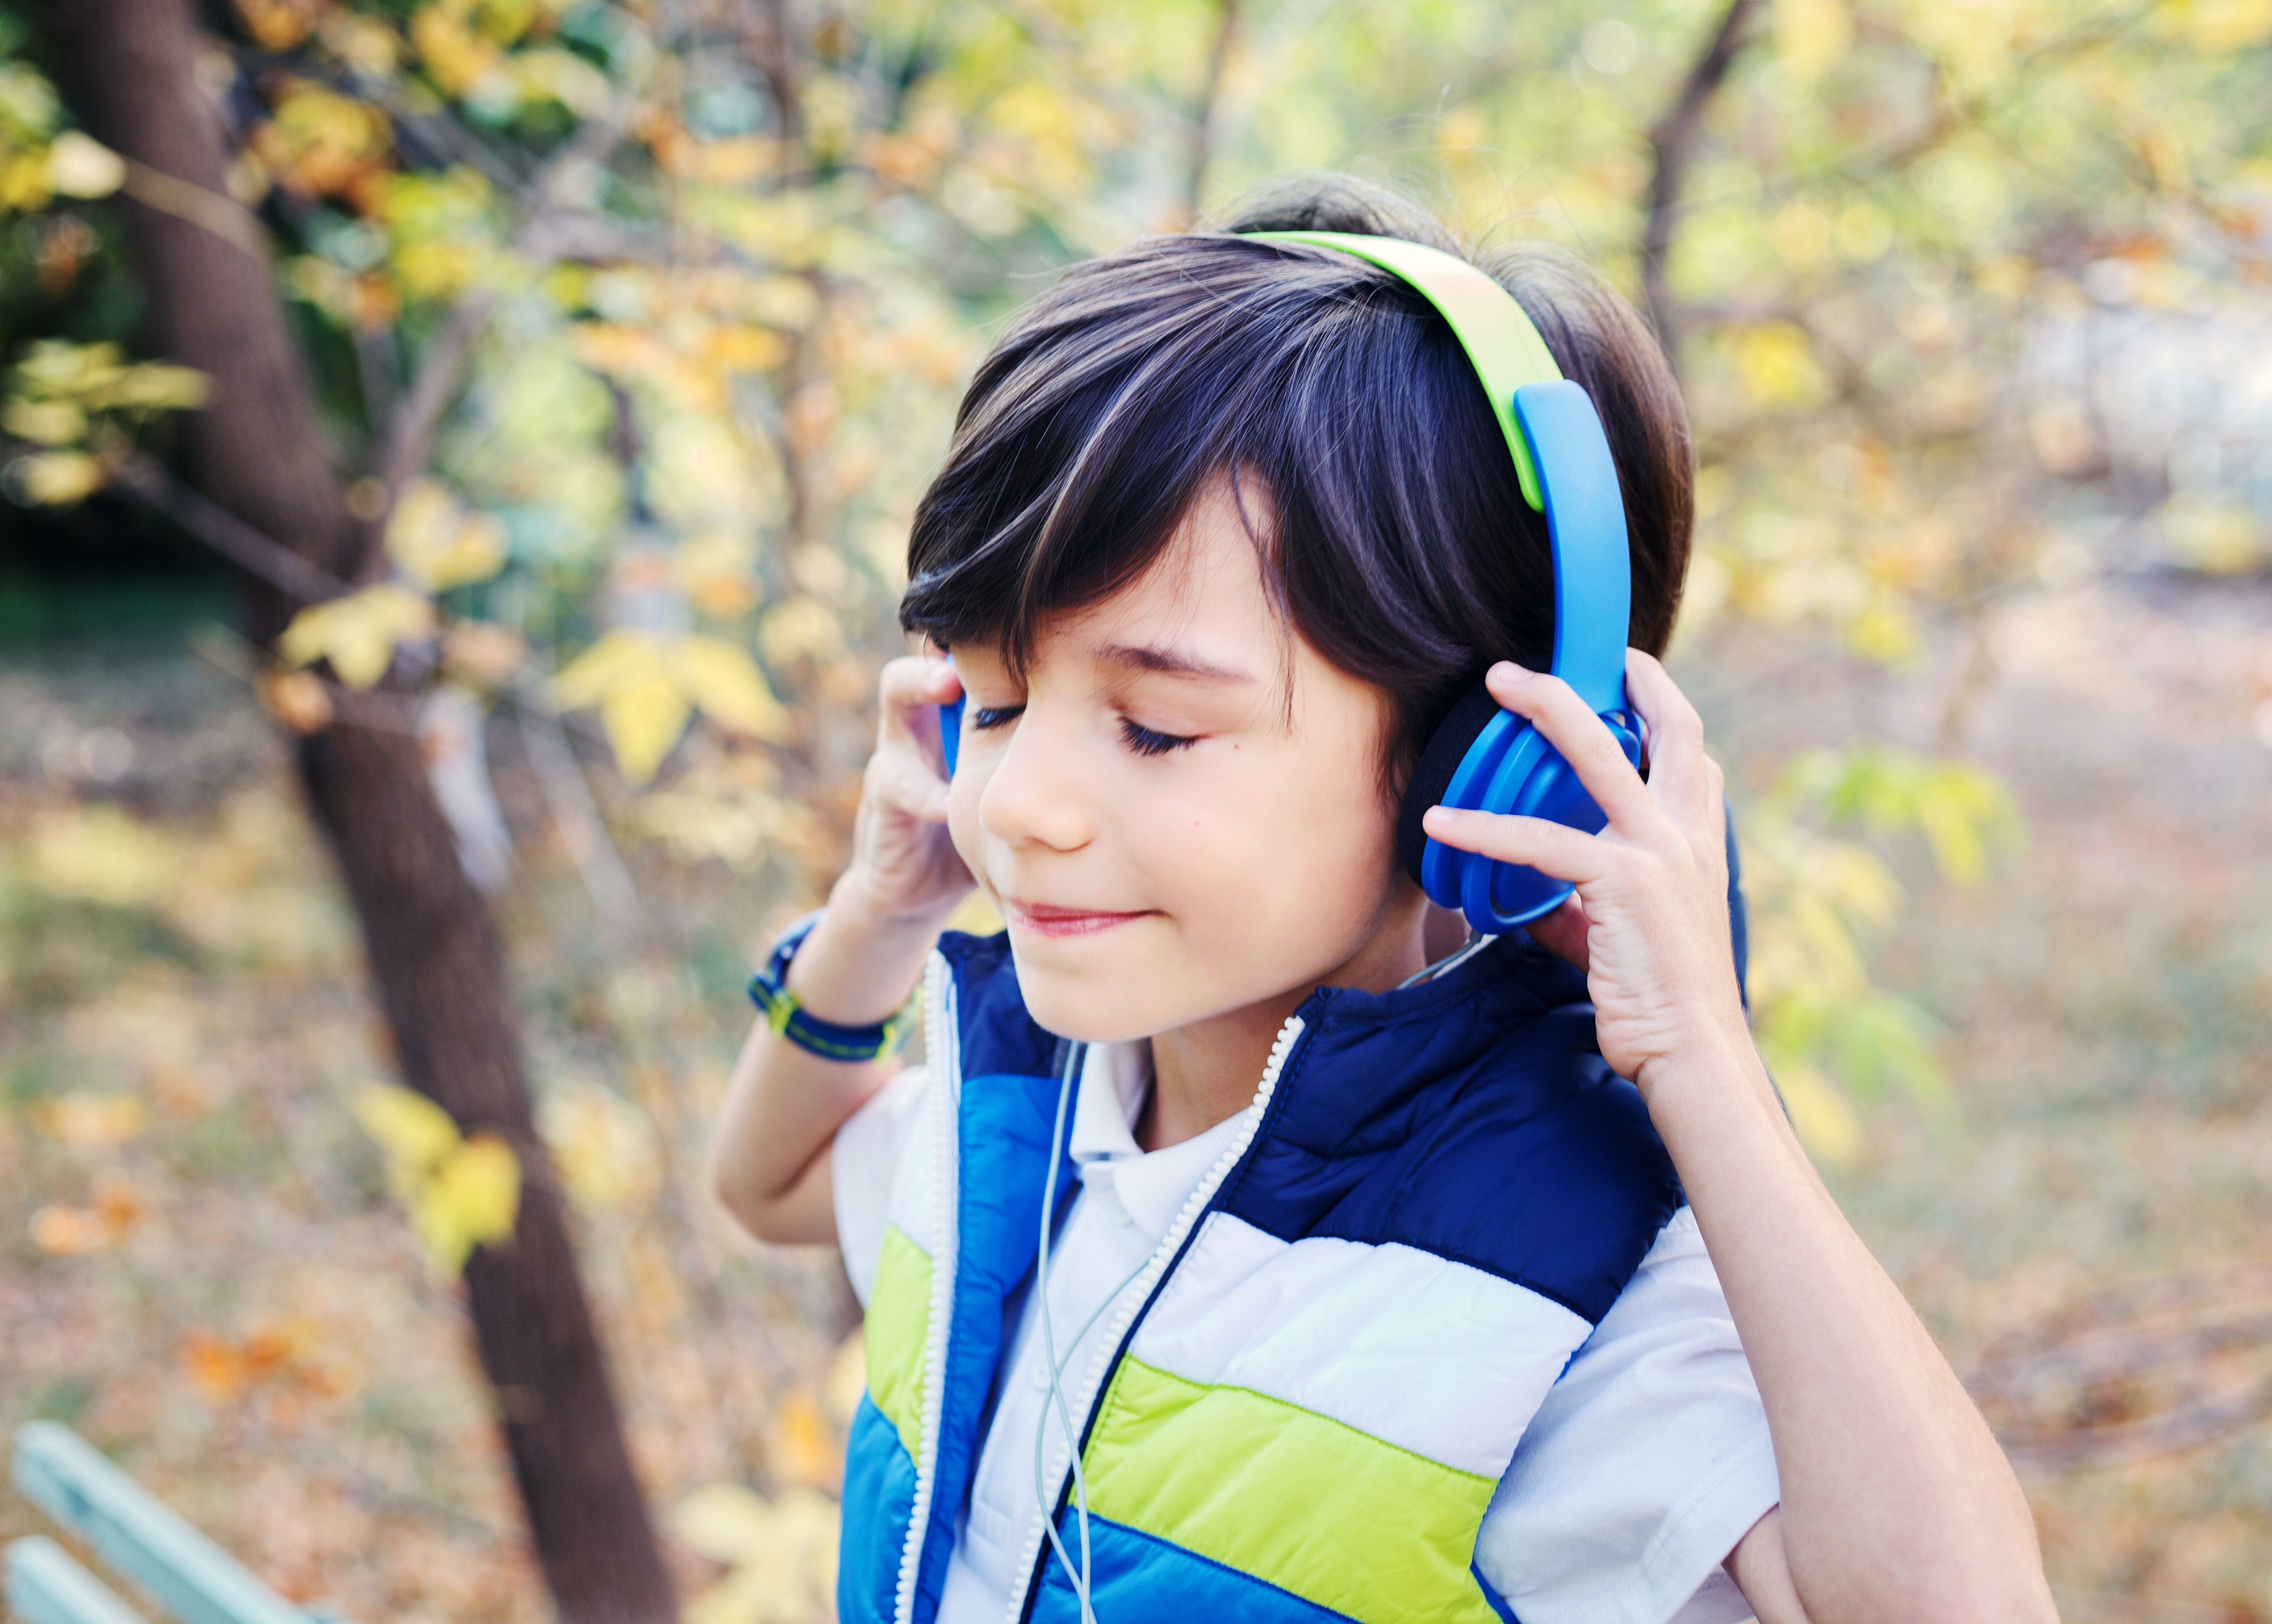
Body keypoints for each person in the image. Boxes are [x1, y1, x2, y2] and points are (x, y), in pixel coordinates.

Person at [710, 174, 2056, 1624]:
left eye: (1158, 729)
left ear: (1477, 766)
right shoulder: (1028, 1112)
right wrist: (879, 913)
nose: (1021, 805)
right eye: (996, 699)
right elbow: (772, 1181)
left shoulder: (1545, 1289)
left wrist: (1705, 1064)